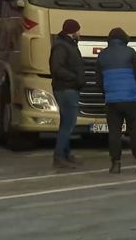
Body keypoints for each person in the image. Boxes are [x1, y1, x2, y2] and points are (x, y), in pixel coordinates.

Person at [95, 27, 136, 174]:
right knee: (134, 132)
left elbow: (98, 80)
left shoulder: (102, 55)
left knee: (114, 133)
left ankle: (115, 164)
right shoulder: (130, 52)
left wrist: (107, 93)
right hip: (130, 99)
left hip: (112, 100)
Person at [49, 19, 85, 169]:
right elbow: (57, 68)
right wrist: (74, 78)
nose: (80, 33)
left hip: (69, 88)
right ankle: (59, 157)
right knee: (68, 124)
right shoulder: (62, 46)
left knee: (66, 123)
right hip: (66, 89)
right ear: (73, 31)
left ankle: (66, 154)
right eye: (78, 30)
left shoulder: (67, 45)